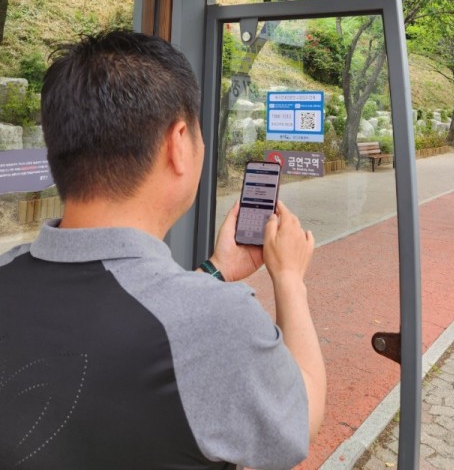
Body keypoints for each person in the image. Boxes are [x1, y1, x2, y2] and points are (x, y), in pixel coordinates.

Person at [0, 30, 326, 470]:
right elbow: (300, 417)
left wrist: (215, 270)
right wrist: (289, 279)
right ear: (177, 144)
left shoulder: (8, 271)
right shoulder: (219, 322)